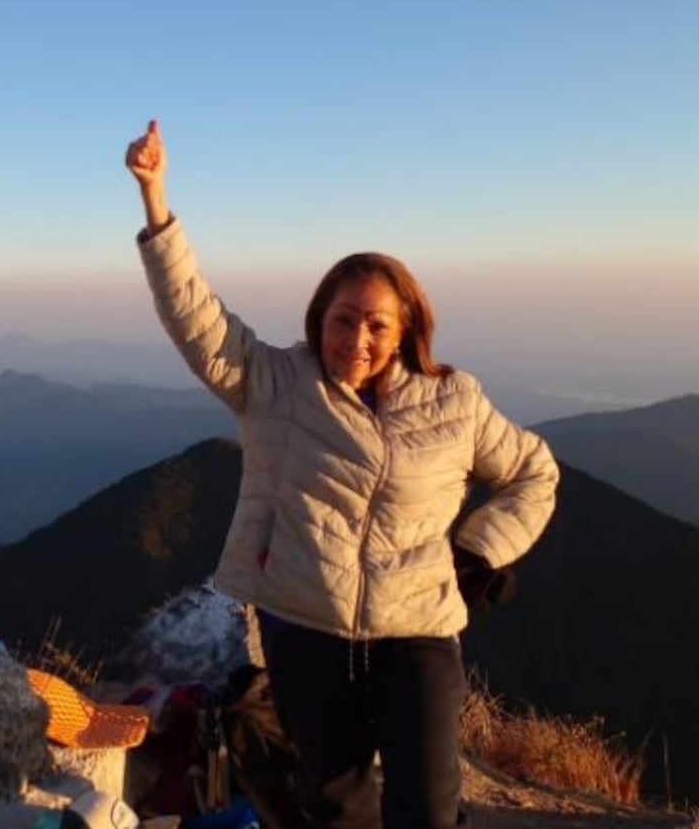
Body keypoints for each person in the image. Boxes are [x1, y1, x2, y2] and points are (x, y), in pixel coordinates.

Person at [124, 119, 559, 829]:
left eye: (378, 325)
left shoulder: (455, 401)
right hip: (303, 628)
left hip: (416, 630)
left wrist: (481, 550)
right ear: (319, 319)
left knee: (429, 804)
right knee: (335, 807)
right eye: (343, 320)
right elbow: (197, 321)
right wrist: (155, 201)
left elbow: (534, 475)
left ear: (407, 328)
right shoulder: (276, 383)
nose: (358, 340)